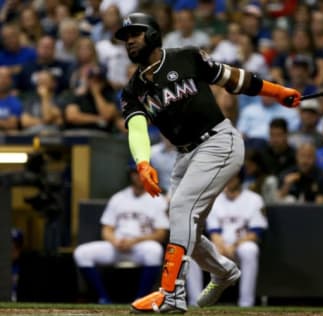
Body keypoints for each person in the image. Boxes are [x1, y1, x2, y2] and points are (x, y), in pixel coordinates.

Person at [114, 12, 301, 313]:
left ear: (152, 33)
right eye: (125, 38)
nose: (130, 41)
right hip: (185, 155)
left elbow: (234, 79)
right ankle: (225, 272)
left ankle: (171, 294)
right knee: (185, 224)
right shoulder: (132, 90)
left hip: (219, 140)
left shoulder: (186, 57)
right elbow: (137, 128)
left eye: (135, 33)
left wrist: (277, 92)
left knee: (181, 209)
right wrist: (143, 162)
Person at [73, 168, 169, 304]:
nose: (139, 176)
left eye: (142, 173)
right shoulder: (119, 197)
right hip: (117, 245)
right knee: (81, 253)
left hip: (140, 246)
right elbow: (106, 228)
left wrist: (135, 241)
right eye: (136, 173)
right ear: (131, 175)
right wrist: (115, 241)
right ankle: (103, 298)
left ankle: (141, 299)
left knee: (155, 250)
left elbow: (161, 234)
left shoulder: (157, 199)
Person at [187, 170, 268, 307]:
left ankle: (246, 303)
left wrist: (234, 245)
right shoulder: (215, 198)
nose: (229, 180)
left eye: (233, 176)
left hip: (241, 245)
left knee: (250, 250)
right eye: (227, 176)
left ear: (240, 178)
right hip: (219, 245)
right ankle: (195, 303)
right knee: (192, 253)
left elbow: (255, 233)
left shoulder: (254, 199)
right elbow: (214, 232)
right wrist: (221, 247)